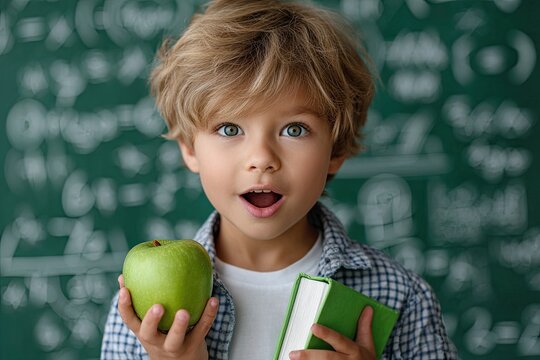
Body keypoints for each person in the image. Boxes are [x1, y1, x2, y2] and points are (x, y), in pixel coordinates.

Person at [101, 0, 457, 359]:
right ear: (190, 149)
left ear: (336, 150)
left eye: (294, 129)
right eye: (229, 128)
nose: (262, 159)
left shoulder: (400, 296)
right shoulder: (142, 313)